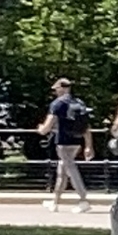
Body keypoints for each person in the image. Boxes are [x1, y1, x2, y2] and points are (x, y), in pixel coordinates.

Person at [44, 78, 93, 209]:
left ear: (61, 88)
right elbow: (86, 127)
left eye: (56, 89)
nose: (55, 92)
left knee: (70, 168)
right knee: (62, 171)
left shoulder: (57, 104)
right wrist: (88, 146)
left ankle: (83, 200)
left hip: (63, 141)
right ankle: (55, 202)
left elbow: (47, 127)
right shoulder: (79, 103)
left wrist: (41, 129)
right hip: (77, 141)